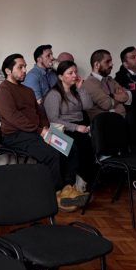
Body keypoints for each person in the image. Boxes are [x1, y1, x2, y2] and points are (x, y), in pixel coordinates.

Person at [0, 54, 86, 211]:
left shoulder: (28, 91)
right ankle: (54, 195)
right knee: (51, 153)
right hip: (16, 135)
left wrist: (46, 128)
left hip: (36, 132)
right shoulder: (2, 91)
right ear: (8, 71)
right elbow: (15, 119)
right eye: (20, 67)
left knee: (70, 147)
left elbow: (40, 114)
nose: (24, 70)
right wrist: (39, 131)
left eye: (25, 66)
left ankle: (67, 189)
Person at [43, 60, 96, 189]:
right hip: (61, 129)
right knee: (80, 144)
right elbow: (53, 120)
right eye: (70, 73)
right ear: (61, 77)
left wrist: (81, 88)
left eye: (75, 72)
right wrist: (76, 127)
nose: (74, 75)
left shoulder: (75, 92)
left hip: (80, 126)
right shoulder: (54, 94)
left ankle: (86, 179)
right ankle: (74, 182)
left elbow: (88, 106)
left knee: (92, 142)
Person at [82, 49, 131, 119]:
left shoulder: (110, 80)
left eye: (111, 61)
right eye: (107, 61)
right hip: (105, 123)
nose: (111, 64)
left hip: (121, 119)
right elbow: (107, 104)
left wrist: (114, 97)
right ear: (97, 65)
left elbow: (129, 96)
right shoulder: (89, 83)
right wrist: (120, 97)